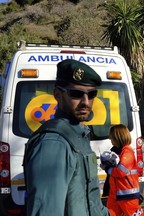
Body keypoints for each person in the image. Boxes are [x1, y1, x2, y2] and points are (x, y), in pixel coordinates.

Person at [23, 59, 109, 216]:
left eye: (92, 94)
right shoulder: (53, 144)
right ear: (57, 94)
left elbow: (91, 203)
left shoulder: (78, 135)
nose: (86, 102)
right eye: (76, 94)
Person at [101, 124, 144, 216]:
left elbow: (121, 172)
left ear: (118, 137)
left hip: (128, 196)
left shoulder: (127, 152)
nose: (110, 139)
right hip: (116, 194)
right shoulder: (119, 151)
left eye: (111, 137)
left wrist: (107, 168)